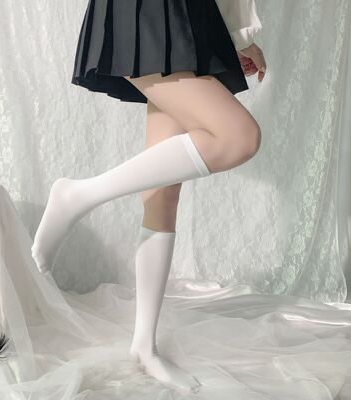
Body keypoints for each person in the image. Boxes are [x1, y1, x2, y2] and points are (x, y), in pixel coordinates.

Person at [32, 0, 267, 394]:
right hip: (155, 9)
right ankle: (77, 196)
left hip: (183, 13)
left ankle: (143, 345)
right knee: (239, 137)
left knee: (162, 194)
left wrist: (235, 35)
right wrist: (243, 36)